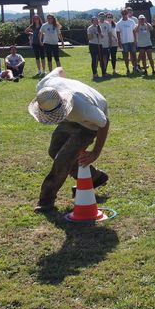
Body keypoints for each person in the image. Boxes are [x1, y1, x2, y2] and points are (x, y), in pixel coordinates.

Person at [28, 67, 110, 212]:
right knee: (54, 150)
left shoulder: (84, 108)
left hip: (89, 124)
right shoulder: (45, 87)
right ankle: (95, 177)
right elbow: (59, 69)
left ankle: (46, 200)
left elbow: (104, 123)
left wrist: (96, 152)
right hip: (70, 115)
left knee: (63, 159)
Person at [116, 9, 138, 75]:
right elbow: (118, 33)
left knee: (134, 55)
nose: (124, 14)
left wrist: (135, 40)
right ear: (121, 14)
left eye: (125, 13)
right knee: (125, 56)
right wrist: (119, 42)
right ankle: (127, 68)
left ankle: (135, 67)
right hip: (124, 42)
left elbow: (134, 31)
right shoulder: (119, 23)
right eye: (123, 13)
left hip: (132, 41)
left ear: (127, 14)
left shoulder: (132, 22)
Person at [97, 12, 115, 77]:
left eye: (103, 16)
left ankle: (104, 71)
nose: (102, 17)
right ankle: (102, 71)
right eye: (100, 16)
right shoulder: (97, 24)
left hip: (106, 43)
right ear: (98, 17)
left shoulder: (107, 24)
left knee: (106, 57)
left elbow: (109, 33)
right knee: (99, 58)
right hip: (98, 44)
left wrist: (110, 42)